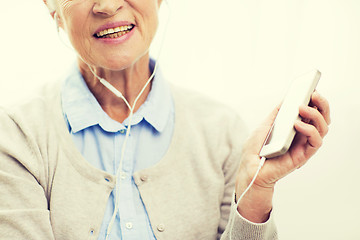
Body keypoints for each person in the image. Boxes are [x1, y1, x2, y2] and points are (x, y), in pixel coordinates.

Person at [0, 0, 330, 239]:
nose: (109, 5)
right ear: (51, 7)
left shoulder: (221, 130)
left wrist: (255, 191)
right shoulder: (17, 135)